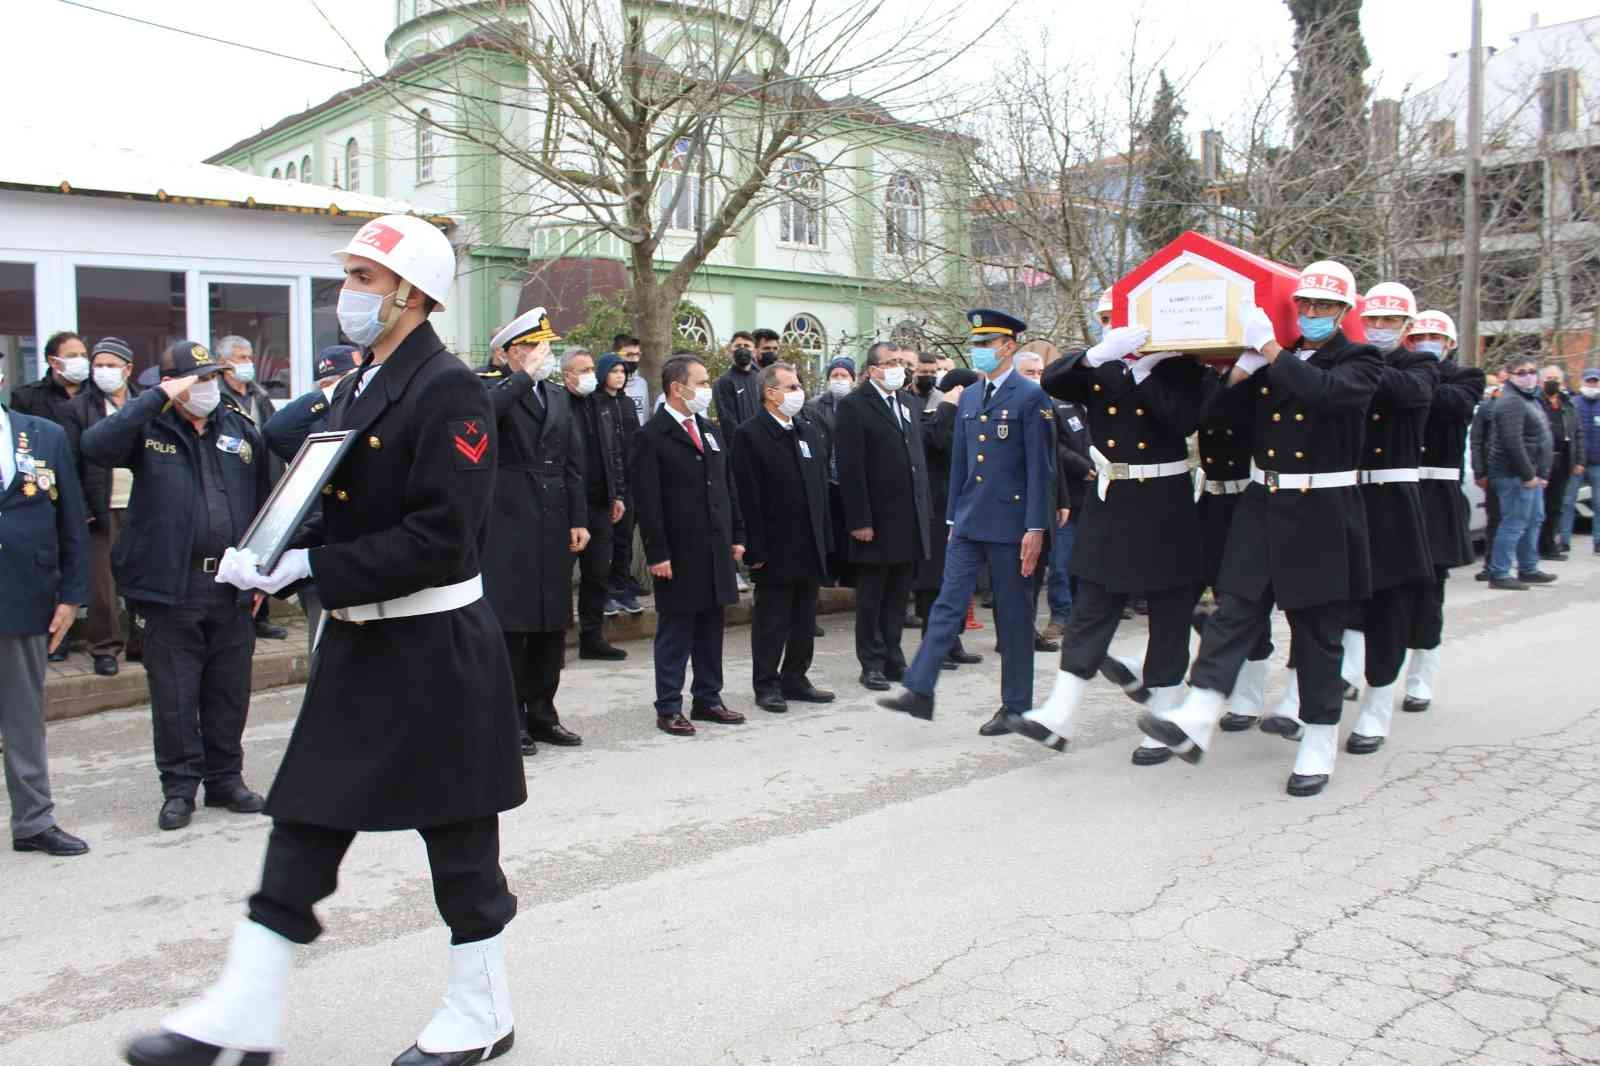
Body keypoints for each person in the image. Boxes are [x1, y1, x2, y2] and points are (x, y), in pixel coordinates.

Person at [124, 214, 525, 1066]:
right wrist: (270, 555)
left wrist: (309, 564)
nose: (347, 294)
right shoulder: (359, 382)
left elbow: (443, 538)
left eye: (364, 280)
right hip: (359, 644)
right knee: (304, 820)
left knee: (459, 843)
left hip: (432, 644)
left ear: (413, 295)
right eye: (349, 276)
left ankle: (481, 1008)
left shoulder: (448, 388)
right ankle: (243, 1013)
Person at [1139, 260, 1382, 797]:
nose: (1312, 314)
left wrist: (1271, 353)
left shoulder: (1360, 359)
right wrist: (1240, 371)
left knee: (1318, 632)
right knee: (1234, 610)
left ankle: (1318, 739)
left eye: (1324, 306)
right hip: (1264, 501)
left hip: (1322, 507)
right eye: (1306, 305)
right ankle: (1198, 713)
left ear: (1343, 311)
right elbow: (1219, 417)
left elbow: (1326, 395)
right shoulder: (1279, 359)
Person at [80, 340, 270, 830]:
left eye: (211, 378)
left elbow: (266, 502)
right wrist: (155, 399)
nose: (207, 387)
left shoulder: (238, 427)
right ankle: (180, 788)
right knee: (175, 694)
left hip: (230, 585)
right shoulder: (149, 428)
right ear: (172, 385)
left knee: (229, 692)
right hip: (170, 586)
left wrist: (262, 576)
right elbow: (94, 446)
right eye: (197, 380)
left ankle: (226, 780)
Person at [1005, 320, 1206, 762]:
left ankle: (1164, 713)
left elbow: (1182, 418)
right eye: (1108, 322)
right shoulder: (1103, 364)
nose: (1112, 329)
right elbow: (1055, 381)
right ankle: (1059, 712)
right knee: (1092, 604)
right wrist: (1100, 354)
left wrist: (1144, 373)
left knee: (1170, 612)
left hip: (1164, 499)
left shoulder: (1181, 367)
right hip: (1112, 500)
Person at [879, 310, 1053, 731]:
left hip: (1012, 525)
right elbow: (961, 462)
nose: (979, 352)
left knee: (1012, 618)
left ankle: (1016, 706)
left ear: (1009, 346)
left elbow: (1040, 469)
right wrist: (954, 516)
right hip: (971, 521)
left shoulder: (1031, 398)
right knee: (946, 605)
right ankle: (919, 689)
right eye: (975, 344)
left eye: (986, 344)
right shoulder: (971, 397)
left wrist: (1036, 528)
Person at [481, 308, 589, 754]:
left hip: (553, 518)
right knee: (512, 626)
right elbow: (484, 416)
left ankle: (543, 712)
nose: (545, 356)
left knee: (550, 624)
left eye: (547, 348)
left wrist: (579, 517)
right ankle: (511, 719)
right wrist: (520, 377)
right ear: (511, 352)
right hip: (509, 519)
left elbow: (573, 462)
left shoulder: (558, 397)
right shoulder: (489, 387)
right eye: (535, 348)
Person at [1341, 283, 1438, 756]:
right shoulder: (1350, 358)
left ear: (1406, 328)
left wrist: (1357, 361)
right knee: (1339, 602)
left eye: (1389, 322)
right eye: (1372, 320)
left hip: (1395, 501)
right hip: (1348, 495)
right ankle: (1329, 687)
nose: (1378, 329)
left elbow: (1407, 393)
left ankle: (1377, 708)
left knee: (1390, 609)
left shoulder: (1418, 365)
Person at [0, 365, 90, 857]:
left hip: (24, 594)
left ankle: (33, 820)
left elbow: (71, 520)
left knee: (23, 718)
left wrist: (71, 596)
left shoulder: (43, 435)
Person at [631, 354, 747, 736]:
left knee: (711, 628)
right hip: (678, 553)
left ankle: (708, 698)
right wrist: (658, 552)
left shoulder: (710, 430)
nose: (706, 389)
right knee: (676, 631)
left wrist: (736, 536)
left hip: (714, 549)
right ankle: (668, 706)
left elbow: (728, 487)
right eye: (701, 382)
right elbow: (648, 502)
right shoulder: (652, 436)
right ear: (677, 388)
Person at [731, 361, 836, 712]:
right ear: (770, 393)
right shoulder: (750, 435)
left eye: (798, 386)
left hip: (808, 542)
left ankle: (795, 676)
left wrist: (825, 540)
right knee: (772, 620)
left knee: (805, 617)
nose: (798, 392)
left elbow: (819, 490)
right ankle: (766, 683)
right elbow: (747, 496)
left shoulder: (805, 430)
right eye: (790, 387)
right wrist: (754, 547)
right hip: (774, 545)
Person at [833, 341, 930, 692]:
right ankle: (871, 662)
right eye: (889, 363)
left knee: (898, 595)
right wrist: (859, 520)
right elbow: (851, 468)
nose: (897, 368)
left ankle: (893, 655)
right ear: (872, 369)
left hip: (909, 518)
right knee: (873, 596)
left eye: (900, 363)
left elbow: (916, 459)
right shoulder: (854, 406)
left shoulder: (907, 402)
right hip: (875, 519)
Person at [1403, 311, 1486, 713]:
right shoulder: (1397, 372)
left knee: (1429, 592)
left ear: (1450, 344)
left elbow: (1452, 405)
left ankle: (1421, 676)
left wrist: (1420, 373)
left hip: (1437, 495)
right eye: (1418, 336)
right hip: (1398, 490)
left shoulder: (1466, 377)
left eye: (1434, 337)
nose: (1425, 342)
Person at [261, 344, 361, 655]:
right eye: (327, 383)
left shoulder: (377, 414)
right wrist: (331, 394)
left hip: (368, 544)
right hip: (325, 539)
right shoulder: (318, 424)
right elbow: (275, 431)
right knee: (324, 644)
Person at [61, 337, 139, 677]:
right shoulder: (80, 408)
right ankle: (105, 648)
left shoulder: (144, 403)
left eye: (111, 364)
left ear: (128, 368)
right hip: (102, 505)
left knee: (142, 576)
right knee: (102, 584)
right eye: (99, 365)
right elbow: (70, 463)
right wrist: (82, 507)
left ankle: (142, 641)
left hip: (142, 505)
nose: (104, 371)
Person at [912, 363, 984, 668]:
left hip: (965, 510)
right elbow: (938, 442)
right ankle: (934, 645)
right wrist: (948, 407)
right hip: (937, 512)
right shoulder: (934, 419)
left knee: (958, 580)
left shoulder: (971, 419)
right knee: (934, 583)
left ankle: (952, 641)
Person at [215, 336, 287, 641]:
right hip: (235, 482)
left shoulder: (259, 395)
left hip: (265, 480)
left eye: (249, 357)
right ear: (224, 363)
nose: (248, 363)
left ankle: (261, 615)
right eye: (241, 357)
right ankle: (235, 612)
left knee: (261, 549)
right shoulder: (217, 397)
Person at [564, 348, 628, 661]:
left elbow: (612, 450)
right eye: (584, 369)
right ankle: (556, 640)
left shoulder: (601, 404)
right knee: (561, 576)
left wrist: (617, 493)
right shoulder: (558, 404)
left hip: (601, 503)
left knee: (598, 572)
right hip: (567, 506)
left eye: (592, 368)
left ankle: (592, 636)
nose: (591, 374)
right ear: (567, 375)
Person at [1484, 357, 1557, 590]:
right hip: (1512, 474)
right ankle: (1499, 572)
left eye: (1532, 371)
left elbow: (1541, 438)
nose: (1528, 376)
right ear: (1511, 375)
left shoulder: (1531, 399)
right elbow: (1512, 442)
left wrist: (1541, 473)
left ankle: (1528, 567)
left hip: (1531, 473)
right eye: (1521, 372)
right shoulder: (1511, 401)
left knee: (1534, 519)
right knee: (1514, 522)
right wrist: (1528, 475)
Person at [1040, 368, 1093, 643]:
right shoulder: (1056, 405)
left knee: (1090, 562)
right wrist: (1082, 467)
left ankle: (1085, 616)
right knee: (1061, 563)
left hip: (1098, 497)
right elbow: (1053, 446)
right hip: (1067, 497)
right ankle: (1060, 615)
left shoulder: (1098, 404)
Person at [595, 352, 646, 617]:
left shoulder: (626, 404)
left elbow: (635, 440)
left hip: (629, 482)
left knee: (624, 540)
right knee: (606, 542)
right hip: (606, 483)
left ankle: (621, 587)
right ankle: (603, 594)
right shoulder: (595, 402)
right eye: (614, 371)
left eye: (623, 372)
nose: (619, 376)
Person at [804, 356, 857, 588]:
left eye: (844, 376)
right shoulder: (816, 405)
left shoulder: (859, 403)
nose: (839, 380)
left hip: (852, 477)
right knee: (830, 526)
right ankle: (829, 571)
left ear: (853, 379)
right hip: (827, 475)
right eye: (834, 376)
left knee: (850, 526)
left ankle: (849, 572)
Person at [1538, 364, 1578, 560]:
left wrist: (1579, 459)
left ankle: (1549, 546)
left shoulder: (1568, 404)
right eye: (1549, 379)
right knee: (1538, 506)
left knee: (1556, 506)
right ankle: (1533, 547)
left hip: (1563, 460)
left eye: (1556, 379)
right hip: (1541, 461)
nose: (1553, 382)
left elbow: (1577, 433)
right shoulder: (1536, 402)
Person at [11, 330, 89, 426]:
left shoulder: (98, 394)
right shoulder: (26, 397)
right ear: (53, 361)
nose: (80, 360)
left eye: (84, 356)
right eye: (72, 356)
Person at [1563, 367, 1600, 555]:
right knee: (1568, 502)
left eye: (1595, 381)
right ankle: (1564, 541)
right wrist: (1576, 460)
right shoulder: (1573, 404)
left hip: (1597, 463)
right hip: (1576, 463)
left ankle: (1598, 541)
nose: (1592, 385)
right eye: (1589, 381)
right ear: (1583, 382)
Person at [713, 330, 761, 443]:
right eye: (738, 346)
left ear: (754, 352)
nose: (742, 349)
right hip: (740, 445)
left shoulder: (761, 378)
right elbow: (727, 421)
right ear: (730, 349)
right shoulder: (724, 381)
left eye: (747, 346)